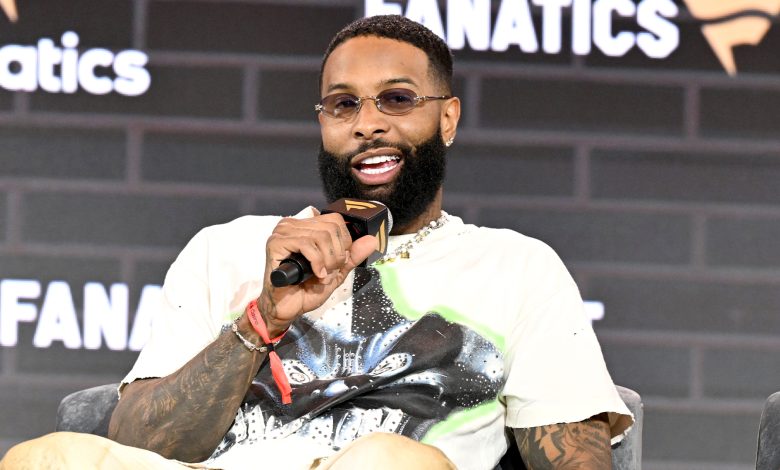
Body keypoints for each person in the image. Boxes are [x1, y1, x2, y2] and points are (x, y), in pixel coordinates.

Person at [0, 14, 632, 470]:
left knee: (388, 462)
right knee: (46, 457)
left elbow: (573, 457)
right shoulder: (227, 248)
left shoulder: (516, 267)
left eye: (396, 99)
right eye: (342, 105)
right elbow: (138, 444)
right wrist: (262, 321)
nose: (367, 123)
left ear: (447, 118)